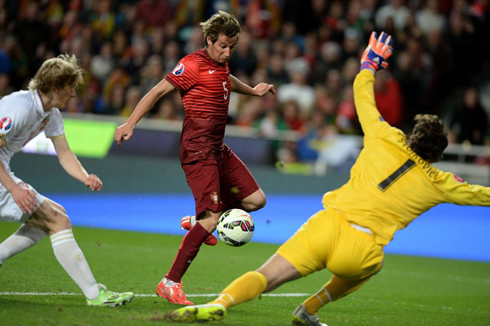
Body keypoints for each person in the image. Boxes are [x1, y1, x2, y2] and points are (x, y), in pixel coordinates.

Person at [162, 31, 490, 325]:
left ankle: (220, 303)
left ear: (413, 136)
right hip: (361, 251)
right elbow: (481, 194)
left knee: (266, 276)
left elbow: (363, 95)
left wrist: (369, 64)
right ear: (437, 154)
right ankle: (311, 307)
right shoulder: (440, 182)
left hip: (328, 226)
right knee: (373, 265)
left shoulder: (384, 136)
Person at [114, 11, 275, 305]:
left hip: (218, 148)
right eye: (223, 46)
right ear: (210, 40)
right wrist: (130, 123)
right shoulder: (190, 65)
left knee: (256, 201)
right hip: (197, 151)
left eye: (232, 47)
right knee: (212, 218)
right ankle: (170, 282)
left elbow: (227, 79)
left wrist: (252, 91)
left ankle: (197, 221)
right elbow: (157, 92)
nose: (228, 53)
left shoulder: (221, 64)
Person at [0, 54, 134, 307]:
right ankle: (95, 294)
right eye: (71, 87)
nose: (74, 94)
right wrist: (13, 188)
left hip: (3, 171)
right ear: (56, 87)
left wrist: (85, 177)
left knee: (54, 214)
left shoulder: (50, 113)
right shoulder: (18, 107)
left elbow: (64, 153)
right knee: (58, 220)